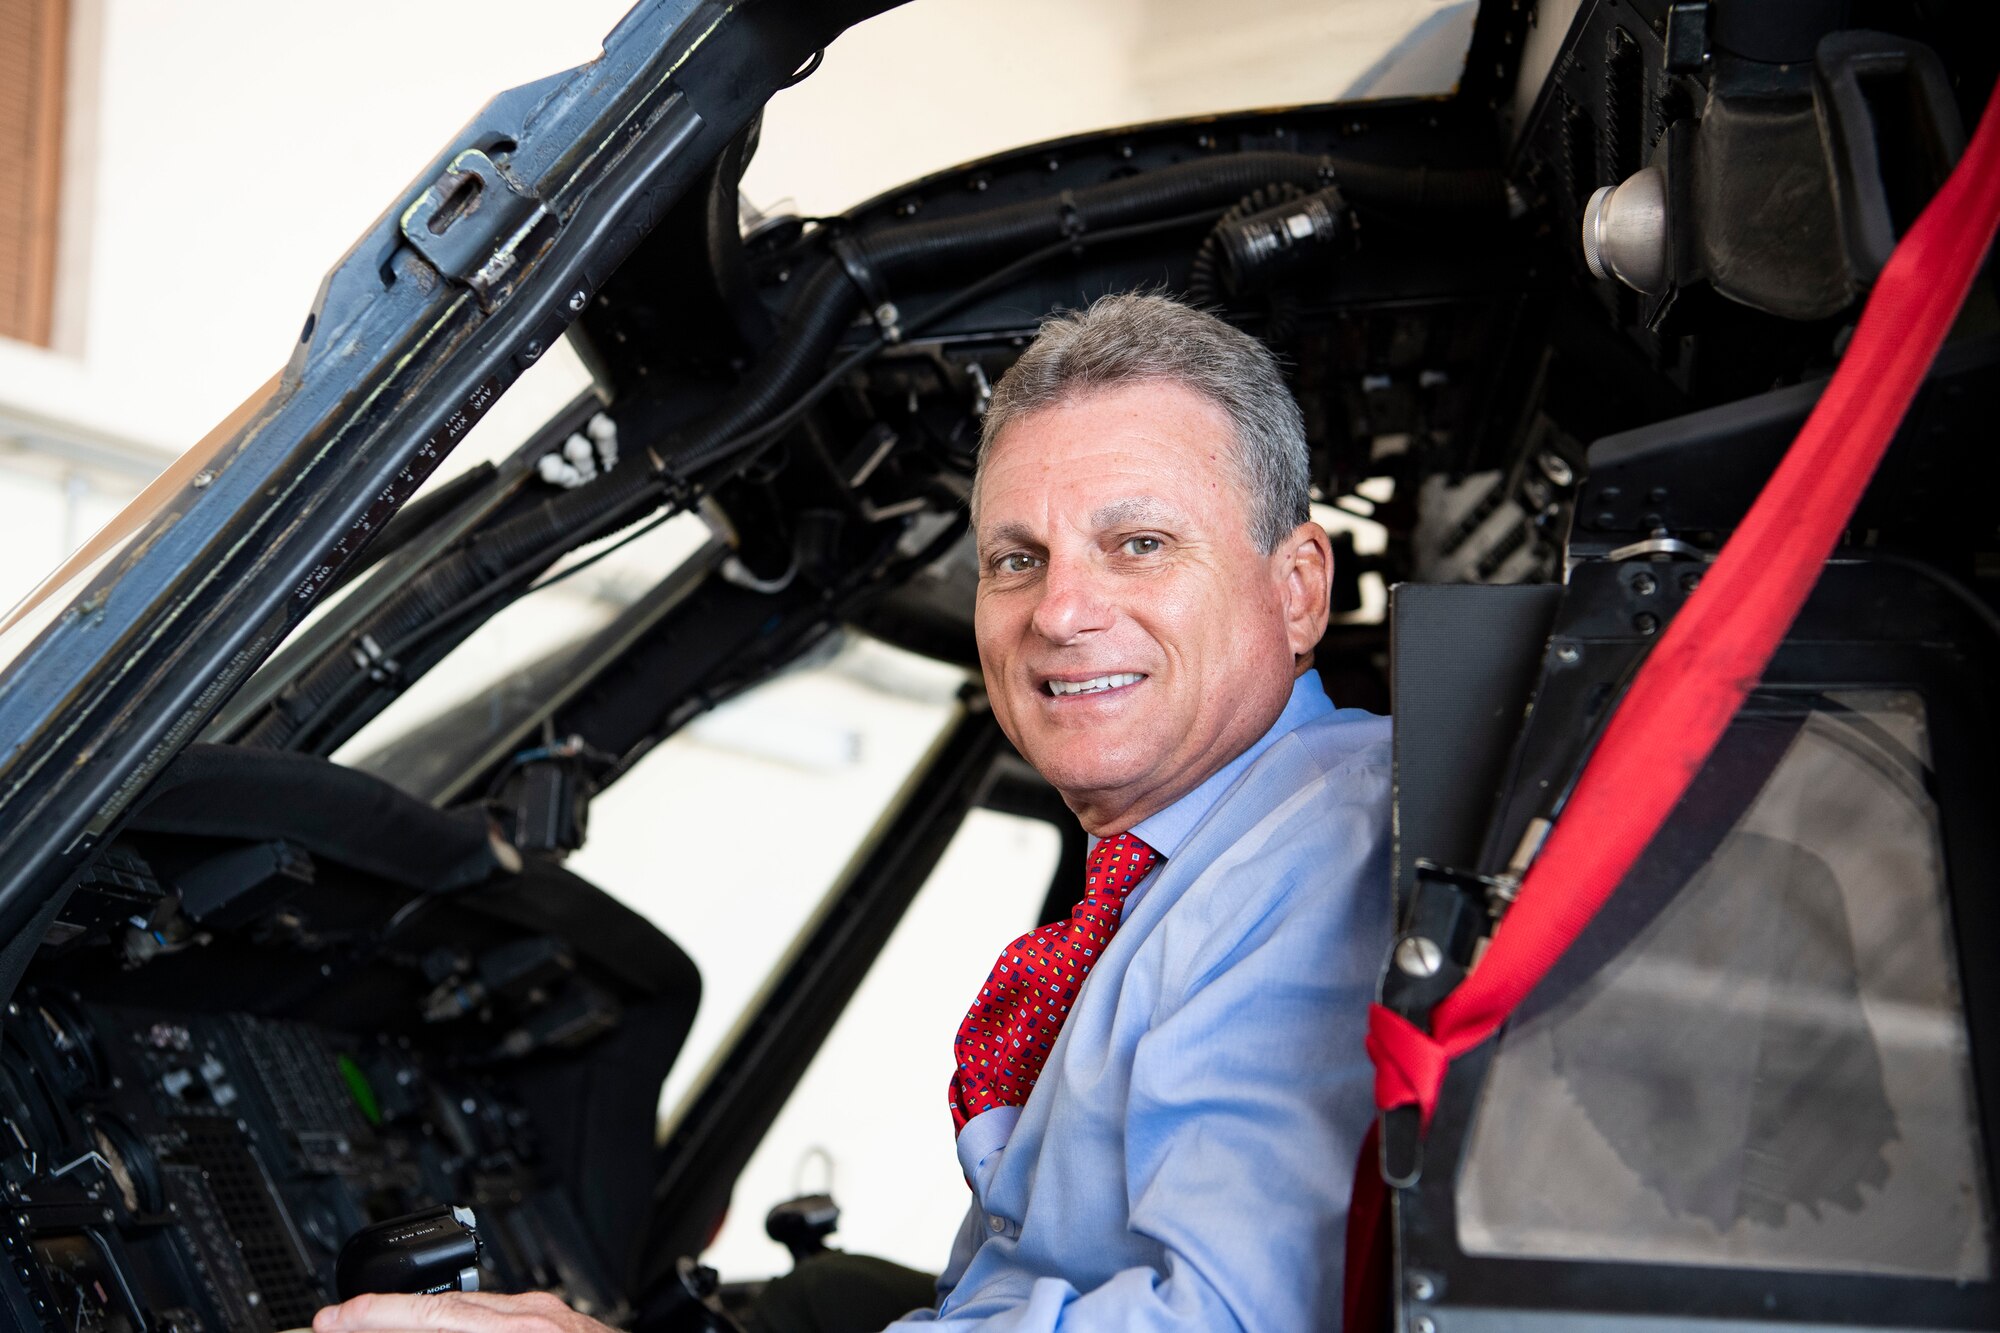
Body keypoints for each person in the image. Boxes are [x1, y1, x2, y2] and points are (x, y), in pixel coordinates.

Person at [312, 293, 1390, 1333]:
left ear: (1296, 588)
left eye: (1138, 544)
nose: (1059, 611)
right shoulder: (1201, 855)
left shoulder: (1327, 850)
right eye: (1016, 559)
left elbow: (1229, 1316)